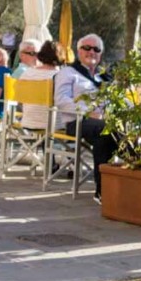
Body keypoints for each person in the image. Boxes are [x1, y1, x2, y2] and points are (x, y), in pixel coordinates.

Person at [54, 33, 117, 200]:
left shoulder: (104, 77)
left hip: (104, 121)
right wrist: (88, 112)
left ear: (101, 53)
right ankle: (103, 190)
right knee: (105, 132)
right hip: (77, 120)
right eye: (87, 48)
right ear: (78, 50)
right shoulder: (68, 72)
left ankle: (124, 183)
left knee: (122, 134)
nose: (91, 52)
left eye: (96, 49)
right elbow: (61, 100)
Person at [20, 40, 65, 129]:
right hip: (55, 125)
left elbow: (20, 100)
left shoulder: (27, 73)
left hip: (28, 122)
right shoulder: (61, 76)